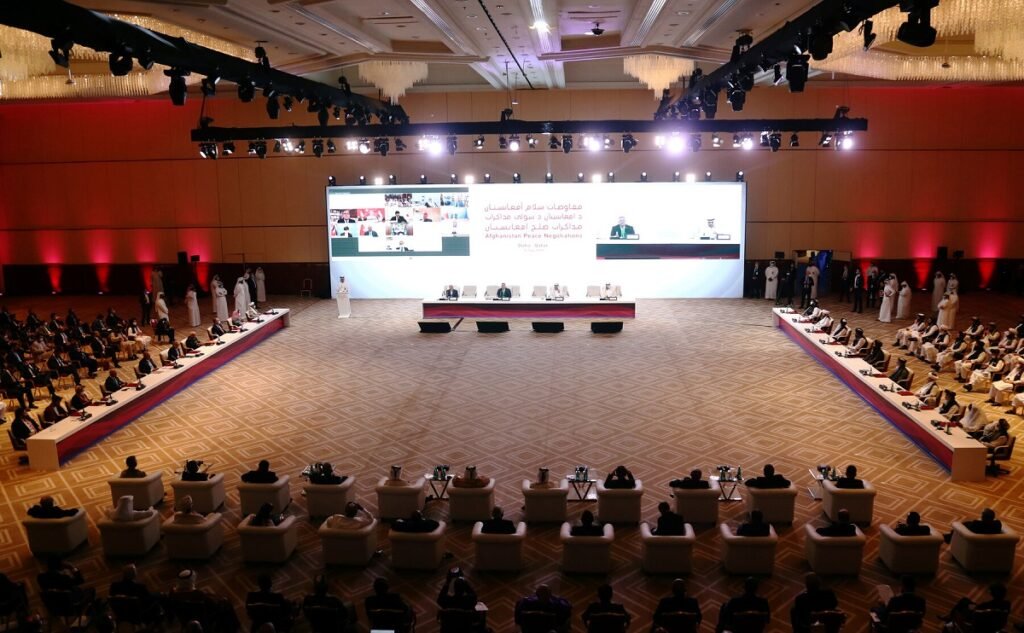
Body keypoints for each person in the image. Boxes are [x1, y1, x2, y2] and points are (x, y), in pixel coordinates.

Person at [941, 583, 1010, 632]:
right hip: (995, 626)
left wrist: (970, 609)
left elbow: (976, 612)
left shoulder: (986, 606)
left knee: (961, 607)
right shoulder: (1007, 604)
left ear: (991, 593)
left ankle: (950, 617)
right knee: (965, 600)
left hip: (977, 626)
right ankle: (950, 615)